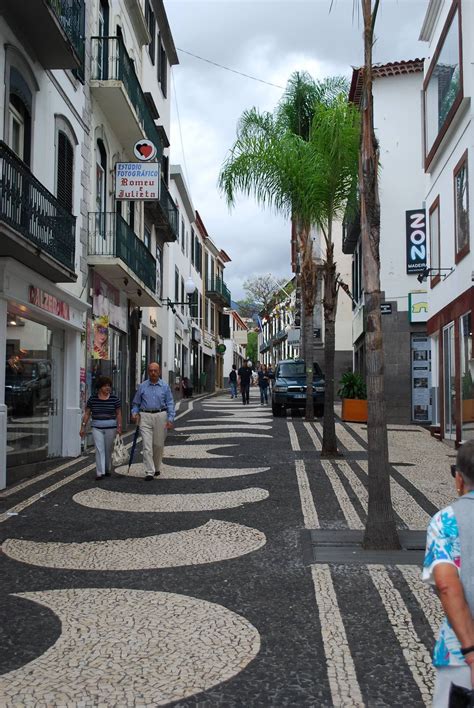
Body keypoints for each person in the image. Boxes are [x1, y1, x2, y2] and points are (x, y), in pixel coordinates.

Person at [422, 440, 474, 707]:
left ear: (459, 477)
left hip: (460, 656)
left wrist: (470, 651)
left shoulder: (446, 520)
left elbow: (446, 585)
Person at [131, 362, 175, 480]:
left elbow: (170, 403)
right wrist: (134, 412)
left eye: (155, 370)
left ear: (159, 371)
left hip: (161, 415)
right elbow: (136, 403)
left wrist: (170, 418)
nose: (153, 373)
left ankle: (156, 467)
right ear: (148, 372)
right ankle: (149, 471)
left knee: (158, 445)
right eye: (151, 371)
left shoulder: (165, 386)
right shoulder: (142, 386)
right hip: (145, 416)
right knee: (146, 445)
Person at [80, 376, 122, 480]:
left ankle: (107, 469)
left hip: (111, 427)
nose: (108, 388)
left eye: (109, 386)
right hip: (97, 427)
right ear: (100, 387)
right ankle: (100, 472)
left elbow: (118, 414)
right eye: (105, 386)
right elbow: (87, 413)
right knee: (99, 449)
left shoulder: (114, 399)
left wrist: (119, 427)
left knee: (108, 450)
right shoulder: (93, 399)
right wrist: (83, 427)